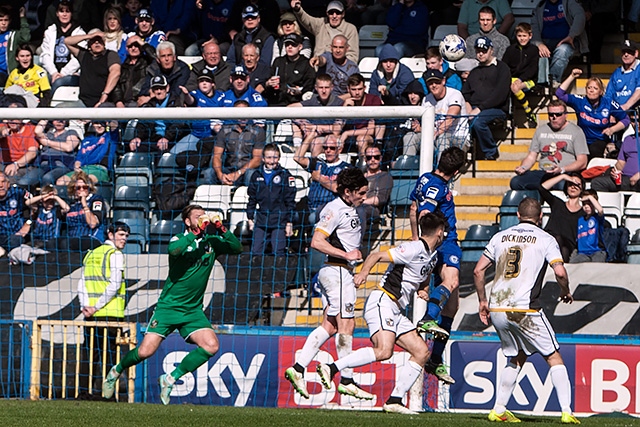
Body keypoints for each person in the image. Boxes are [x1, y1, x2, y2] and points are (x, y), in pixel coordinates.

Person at [102, 205, 243, 404]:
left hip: (192, 310)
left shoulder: (211, 242)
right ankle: (116, 370)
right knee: (145, 351)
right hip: (168, 307)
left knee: (211, 346)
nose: (203, 218)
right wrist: (196, 232)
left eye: (204, 215)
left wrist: (220, 227)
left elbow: (237, 247)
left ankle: (170, 378)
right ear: (187, 221)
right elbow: (173, 250)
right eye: (197, 216)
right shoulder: (180, 239)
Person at [316, 212, 446, 414]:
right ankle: (331, 367)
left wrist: (424, 288)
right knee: (384, 351)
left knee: (421, 352)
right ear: (439, 232)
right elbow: (377, 255)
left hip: (396, 309)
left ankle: (394, 400)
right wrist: (363, 273)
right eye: (444, 231)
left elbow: (421, 276)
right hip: (382, 301)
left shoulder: (433, 255)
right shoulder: (412, 248)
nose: (444, 235)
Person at [473, 197, 580, 425]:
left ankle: (499, 409)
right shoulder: (545, 238)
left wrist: (482, 301)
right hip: (525, 309)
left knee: (517, 356)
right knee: (553, 356)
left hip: (499, 308)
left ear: (518, 215)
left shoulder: (500, 236)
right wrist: (566, 291)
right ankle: (567, 411)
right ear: (540, 217)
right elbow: (560, 273)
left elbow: (478, 270)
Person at [284, 168, 371, 400]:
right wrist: (347, 255)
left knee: (330, 326)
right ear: (348, 192)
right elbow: (316, 241)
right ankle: (347, 379)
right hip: (337, 271)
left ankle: (298, 367)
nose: (364, 197)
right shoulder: (334, 209)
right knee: (347, 325)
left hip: (336, 271)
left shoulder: (348, 206)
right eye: (361, 193)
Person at [410, 146, 466, 385]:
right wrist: (431, 239)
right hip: (446, 241)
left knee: (452, 306)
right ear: (456, 171)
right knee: (451, 281)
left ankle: (435, 359)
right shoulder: (439, 187)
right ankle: (427, 318)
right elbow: (423, 213)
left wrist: (415, 238)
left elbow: (413, 209)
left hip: (437, 242)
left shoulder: (424, 178)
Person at [77, 222, 130, 395]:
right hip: (110, 314)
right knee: (110, 356)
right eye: (121, 235)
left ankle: (84, 392)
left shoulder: (91, 254)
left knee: (89, 355)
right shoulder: (115, 254)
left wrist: (86, 306)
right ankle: (108, 394)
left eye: (126, 236)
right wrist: (96, 307)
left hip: (90, 315)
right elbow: (114, 285)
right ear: (110, 234)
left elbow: (82, 282)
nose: (124, 239)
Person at [510, 99, 588, 190]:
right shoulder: (541, 130)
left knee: (562, 185)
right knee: (516, 182)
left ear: (566, 115)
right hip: (544, 172)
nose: (554, 117)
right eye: (551, 114)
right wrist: (523, 167)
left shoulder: (576, 131)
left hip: (565, 173)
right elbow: (532, 156)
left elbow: (582, 162)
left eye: (558, 114)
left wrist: (562, 169)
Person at [556, 68, 630, 159]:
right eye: (589, 88)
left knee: (594, 150)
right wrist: (572, 76)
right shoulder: (580, 101)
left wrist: (612, 129)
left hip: (600, 141)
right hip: (582, 140)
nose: (591, 90)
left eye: (595, 88)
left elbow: (626, 119)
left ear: (601, 92)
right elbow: (559, 94)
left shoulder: (608, 103)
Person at [462, 36, 511, 161]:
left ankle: (491, 151)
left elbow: (500, 95)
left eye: (484, 50)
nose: (480, 53)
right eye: (478, 50)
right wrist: (467, 106)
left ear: (491, 50)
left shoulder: (502, 68)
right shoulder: (474, 71)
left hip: (496, 108)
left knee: (478, 121)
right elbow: (465, 93)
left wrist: (479, 108)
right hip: (473, 108)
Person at [247, 144, 296, 255]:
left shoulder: (285, 175)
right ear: (263, 158)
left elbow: (290, 201)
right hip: (261, 220)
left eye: (275, 157)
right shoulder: (256, 175)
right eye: (269, 157)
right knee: (255, 252)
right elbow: (252, 199)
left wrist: (289, 222)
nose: (272, 161)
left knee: (278, 252)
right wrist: (250, 218)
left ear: (279, 158)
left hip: (279, 220)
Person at [531, 0, 588, 87]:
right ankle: (541, 83)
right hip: (546, 42)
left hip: (569, 41)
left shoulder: (569, 2)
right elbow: (534, 28)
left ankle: (553, 81)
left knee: (562, 50)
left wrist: (571, 35)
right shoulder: (540, 7)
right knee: (536, 51)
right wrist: (539, 44)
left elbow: (580, 16)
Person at [207, 100, 265, 185]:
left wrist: (238, 173)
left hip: (248, 170)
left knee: (250, 175)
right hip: (229, 168)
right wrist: (220, 175)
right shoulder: (225, 130)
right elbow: (216, 156)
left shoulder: (258, 131)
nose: (242, 116)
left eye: (245, 112)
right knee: (209, 173)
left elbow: (257, 159)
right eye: (239, 112)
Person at [129, 76, 188, 158]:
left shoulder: (175, 102)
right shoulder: (150, 105)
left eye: (161, 88)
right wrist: (137, 137)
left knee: (162, 153)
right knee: (136, 148)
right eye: (156, 89)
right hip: (154, 138)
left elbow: (178, 124)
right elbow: (143, 123)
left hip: (172, 140)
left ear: (167, 88)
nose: (159, 91)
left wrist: (167, 138)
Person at [63, 30, 121, 108]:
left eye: (99, 40)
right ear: (89, 44)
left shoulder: (110, 55)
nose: (97, 43)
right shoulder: (84, 55)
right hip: (83, 103)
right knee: (59, 109)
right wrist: (89, 36)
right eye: (94, 41)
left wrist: (104, 95)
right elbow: (67, 41)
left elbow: (115, 72)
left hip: (104, 102)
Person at [422, 69, 470, 163]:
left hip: (459, 139)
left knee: (442, 138)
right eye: (430, 83)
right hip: (435, 136)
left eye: (437, 82)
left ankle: (441, 172)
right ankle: (406, 172)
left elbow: (450, 119)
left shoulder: (455, 94)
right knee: (411, 136)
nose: (434, 85)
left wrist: (433, 135)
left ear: (443, 81)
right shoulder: (426, 99)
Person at [39, 0, 85, 96]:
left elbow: (79, 58)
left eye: (67, 11)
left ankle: (48, 107)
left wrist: (63, 73)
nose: (64, 14)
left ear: (71, 14)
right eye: (61, 11)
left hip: (72, 73)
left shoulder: (79, 33)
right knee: (40, 78)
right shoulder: (50, 31)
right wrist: (54, 72)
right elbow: (45, 54)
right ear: (57, 13)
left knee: (58, 83)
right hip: (53, 72)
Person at [291, 0, 359, 63]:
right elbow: (307, 20)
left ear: (343, 14)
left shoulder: (350, 29)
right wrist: (298, 10)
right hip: (320, 67)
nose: (334, 16)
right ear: (327, 13)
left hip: (340, 69)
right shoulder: (321, 24)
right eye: (331, 13)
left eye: (338, 13)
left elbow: (353, 55)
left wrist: (340, 66)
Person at [538, 171, 585, 261]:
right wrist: (563, 176)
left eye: (577, 184)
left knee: (564, 250)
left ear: (582, 188)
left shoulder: (583, 212)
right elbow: (542, 188)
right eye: (570, 184)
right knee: (557, 239)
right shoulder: (557, 203)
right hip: (550, 240)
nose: (573, 186)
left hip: (567, 246)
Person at [502, 22, 540, 127]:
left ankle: (527, 112)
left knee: (515, 87)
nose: (522, 39)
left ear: (530, 36)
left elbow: (533, 69)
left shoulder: (534, 50)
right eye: (519, 36)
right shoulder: (510, 50)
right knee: (512, 86)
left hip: (530, 80)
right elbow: (504, 66)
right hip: (512, 79)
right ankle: (527, 111)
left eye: (524, 36)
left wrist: (521, 79)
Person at [57, 121, 117, 186]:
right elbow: (79, 157)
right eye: (96, 123)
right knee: (60, 182)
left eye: (102, 123)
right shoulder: (87, 139)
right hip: (83, 169)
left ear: (107, 124)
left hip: (99, 170)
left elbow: (114, 124)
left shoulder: (110, 137)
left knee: (86, 181)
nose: (99, 125)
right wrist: (77, 164)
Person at [264, 33, 315, 106]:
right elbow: (267, 80)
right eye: (287, 45)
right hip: (277, 102)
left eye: (293, 45)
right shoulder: (278, 61)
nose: (290, 47)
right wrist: (268, 83)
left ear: (300, 47)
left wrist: (300, 91)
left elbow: (309, 85)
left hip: (296, 103)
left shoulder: (306, 63)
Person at [339, 73, 384, 157]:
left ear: (364, 88)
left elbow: (371, 130)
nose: (357, 93)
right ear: (348, 89)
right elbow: (336, 130)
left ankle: (362, 167)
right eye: (353, 89)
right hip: (348, 138)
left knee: (361, 139)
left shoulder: (373, 100)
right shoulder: (346, 103)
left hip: (368, 138)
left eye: (359, 89)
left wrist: (347, 133)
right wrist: (344, 109)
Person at [138, 41, 194, 106]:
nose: (166, 59)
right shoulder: (152, 69)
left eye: (169, 55)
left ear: (174, 57)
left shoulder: (183, 69)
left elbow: (178, 91)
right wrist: (149, 92)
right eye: (163, 56)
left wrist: (155, 94)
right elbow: (144, 89)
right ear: (158, 60)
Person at [62, 170, 108, 251]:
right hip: (72, 240)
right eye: (78, 188)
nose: (82, 190)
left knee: (66, 244)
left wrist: (84, 204)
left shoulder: (96, 200)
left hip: (92, 239)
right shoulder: (72, 204)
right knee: (53, 244)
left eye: (85, 187)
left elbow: (93, 224)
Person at [357, 144, 393, 246]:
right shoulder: (359, 176)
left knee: (360, 210)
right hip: (355, 206)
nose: (373, 160)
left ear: (380, 158)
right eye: (369, 158)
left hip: (372, 209)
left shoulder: (385, 176)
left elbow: (380, 199)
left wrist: (359, 202)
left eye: (376, 157)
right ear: (365, 159)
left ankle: (357, 245)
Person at [0, 102, 40, 188]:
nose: (12, 120)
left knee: (8, 182)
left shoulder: (30, 129)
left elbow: (32, 153)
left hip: (22, 166)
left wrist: (16, 164)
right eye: (10, 117)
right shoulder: (4, 126)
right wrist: (2, 131)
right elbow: (1, 129)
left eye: (15, 117)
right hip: (3, 165)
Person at [34, 119, 81, 186]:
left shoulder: (71, 132)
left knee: (47, 178)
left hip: (62, 165)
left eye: (62, 120)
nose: (59, 122)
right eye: (56, 119)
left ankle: (46, 195)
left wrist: (48, 143)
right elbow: (37, 131)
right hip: (44, 164)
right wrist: (47, 117)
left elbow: (69, 147)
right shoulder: (49, 134)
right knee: (26, 181)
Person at [112, 35, 156, 108]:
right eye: (130, 46)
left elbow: (156, 57)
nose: (133, 48)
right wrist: (118, 101)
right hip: (123, 103)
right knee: (103, 106)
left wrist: (142, 43)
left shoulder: (148, 64)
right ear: (126, 48)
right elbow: (117, 86)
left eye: (136, 45)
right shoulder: (123, 66)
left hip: (139, 101)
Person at [571, 189, 606, 263]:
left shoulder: (597, 218)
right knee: (572, 265)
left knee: (597, 267)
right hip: (582, 253)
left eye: (589, 203)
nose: (586, 206)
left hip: (597, 251)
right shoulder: (580, 220)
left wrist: (590, 197)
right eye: (584, 204)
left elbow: (600, 210)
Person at [604, 40, 640, 112]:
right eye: (624, 52)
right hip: (617, 114)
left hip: (634, 113)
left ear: (636, 53)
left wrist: (625, 107)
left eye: (629, 52)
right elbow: (608, 95)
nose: (626, 54)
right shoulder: (617, 72)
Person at [0, 171, 31, 253]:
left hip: (16, 234)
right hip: (1, 235)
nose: (0, 185)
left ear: (8, 184)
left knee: (14, 242)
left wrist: (28, 223)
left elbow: (37, 207)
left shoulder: (18, 192)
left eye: (3, 182)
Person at [0, 6, 30, 87]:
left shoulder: (13, 35)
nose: (3, 23)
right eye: (1, 20)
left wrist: (22, 18)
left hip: (8, 74)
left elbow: (25, 37)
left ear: (9, 21)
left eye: (6, 20)